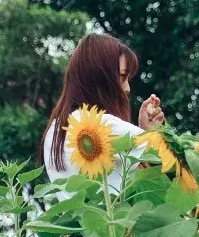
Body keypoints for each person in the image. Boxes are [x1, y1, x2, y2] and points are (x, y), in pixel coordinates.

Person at [40, 33, 164, 199]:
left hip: (81, 222)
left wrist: (145, 132)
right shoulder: (99, 126)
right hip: (116, 223)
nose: (127, 88)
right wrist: (151, 134)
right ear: (99, 76)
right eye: (121, 77)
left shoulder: (55, 131)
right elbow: (170, 160)